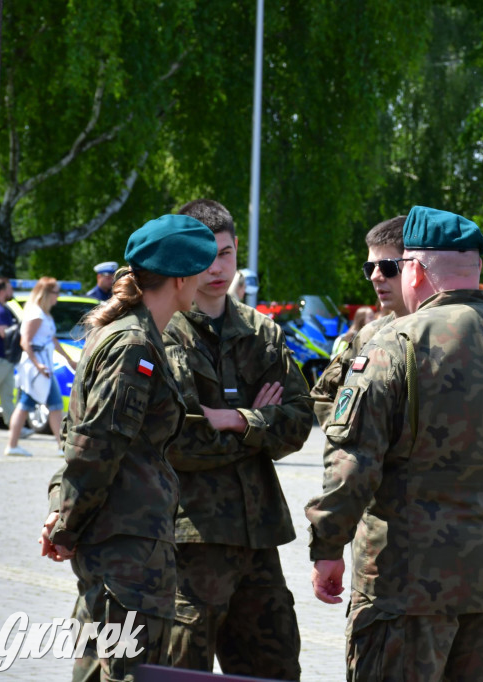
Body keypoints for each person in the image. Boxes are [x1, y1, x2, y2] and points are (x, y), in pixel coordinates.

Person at [305, 205, 483, 681]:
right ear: (475, 269)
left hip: (407, 589)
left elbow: (353, 462)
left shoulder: (393, 344)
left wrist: (327, 546)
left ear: (415, 269)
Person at [40, 214, 218, 682]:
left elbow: (84, 440)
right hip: (127, 555)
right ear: (180, 278)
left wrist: (63, 514)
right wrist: (64, 524)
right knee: (125, 672)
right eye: (200, 271)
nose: (204, 281)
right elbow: (95, 446)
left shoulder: (129, 332)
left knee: (98, 670)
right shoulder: (134, 343)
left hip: (121, 548)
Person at [162, 198, 313, 680]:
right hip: (191, 540)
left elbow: (298, 423)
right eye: (204, 256)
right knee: (182, 669)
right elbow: (175, 439)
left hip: (259, 537)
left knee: (274, 668)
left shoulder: (262, 332)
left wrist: (236, 420)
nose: (217, 267)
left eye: (226, 254)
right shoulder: (163, 331)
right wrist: (260, 422)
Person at [310, 215, 409, 429]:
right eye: (369, 268)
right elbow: (322, 395)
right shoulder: (369, 334)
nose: (375, 276)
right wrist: (351, 438)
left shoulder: (446, 332)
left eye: (387, 266)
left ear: (414, 267)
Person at [5, 277, 78, 457]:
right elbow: (25, 342)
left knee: (51, 405)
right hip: (37, 368)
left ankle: (60, 446)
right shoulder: (36, 314)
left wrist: (68, 358)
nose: (58, 297)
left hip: (43, 366)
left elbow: (52, 340)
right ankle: (14, 445)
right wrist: (38, 365)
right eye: (56, 292)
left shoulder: (44, 314)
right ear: (46, 293)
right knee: (32, 405)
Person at [0, 277, 18, 427]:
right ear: (2, 291)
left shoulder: (4, 308)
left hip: (5, 359)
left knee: (7, 396)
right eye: (9, 288)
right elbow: (3, 333)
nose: (11, 291)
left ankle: (14, 427)